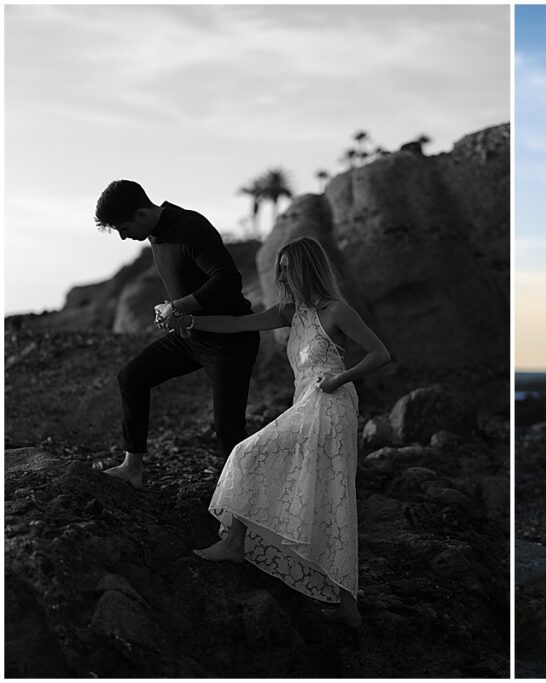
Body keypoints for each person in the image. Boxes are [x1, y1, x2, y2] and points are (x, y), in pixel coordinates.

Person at [170, 236, 390, 628]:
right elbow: (239, 324)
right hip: (306, 404)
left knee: (252, 456)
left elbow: (380, 353)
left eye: (288, 267)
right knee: (323, 491)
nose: (282, 274)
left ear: (307, 268)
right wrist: (188, 320)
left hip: (332, 405)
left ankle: (235, 544)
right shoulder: (293, 313)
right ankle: (348, 608)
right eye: (280, 267)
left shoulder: (336, 311)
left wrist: (341, 378)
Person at [94, 180, 260, 490]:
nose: (123, 235)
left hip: (230, 339)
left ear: (142, 214)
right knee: (131, 377)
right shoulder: (156, 235)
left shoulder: (190, 227)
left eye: (124, 227)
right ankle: (132, 467)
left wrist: (178, 306)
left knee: (228, 429)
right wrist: (176, 313)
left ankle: (246, 505)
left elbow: (227, 280)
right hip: (191, 336)